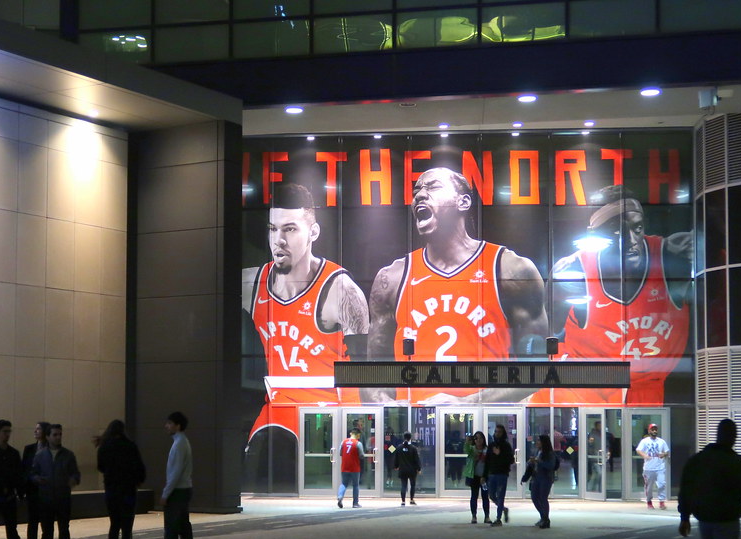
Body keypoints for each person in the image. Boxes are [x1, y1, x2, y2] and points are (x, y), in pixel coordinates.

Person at [365, 167, 548, 404]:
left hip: (489, 424)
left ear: (463, 202)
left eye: (432, 187)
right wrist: (389, 409)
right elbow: (371, 372)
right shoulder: (392, 278)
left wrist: (468, 404)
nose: (419, 195)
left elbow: (536, 369)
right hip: (417, 426)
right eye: (417, 190)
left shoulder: (510, 269)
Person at [242, 183, 369, 479]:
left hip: (329, 409)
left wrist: (359, 423)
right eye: (273, 229)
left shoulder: (341, 289)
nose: (279, 240)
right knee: (260, 467)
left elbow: (366, 368)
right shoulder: (252, 283)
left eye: (290, 229)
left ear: (313, 232)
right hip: (279, 406)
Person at [551, 185, 692, 405]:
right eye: (617, 230)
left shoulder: (674, 254)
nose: (631, 239)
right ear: (595, 235)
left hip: (651, 383)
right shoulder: (573, 270)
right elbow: (549, 334)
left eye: (637, 229)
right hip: (588, 386)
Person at [97, 419, 147, 539]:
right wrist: (138, 481)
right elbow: (140, 467)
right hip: (128, 490)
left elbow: (100, 467)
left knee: (114, 524)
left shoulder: (104, 447)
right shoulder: (131, 446)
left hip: (111, 490)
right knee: (126, 527)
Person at [32, 423, 80, 539]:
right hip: (46, 497)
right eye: (55, 434)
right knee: (47, 531)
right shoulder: (40, 456)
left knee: (64, 530)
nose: (58, 437)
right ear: (48, 437)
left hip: (63, 497)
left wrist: (73, 480)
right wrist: (37, 479)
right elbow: (33, 473)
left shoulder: (68, 455)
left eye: (60, 434)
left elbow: (76, 473)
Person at [153, 411, 194, 539]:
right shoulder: (183, 442)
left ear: (178, 426)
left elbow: (175, 473)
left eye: (169, 423)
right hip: (185, 489)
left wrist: (165, 494)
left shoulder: (178, 445)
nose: (166, 426)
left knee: (171, 527)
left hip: (177, 491)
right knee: (184, 527)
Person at [0, 420, 29, 539]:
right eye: (5, 431)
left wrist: (20, 493)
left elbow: (18, 475)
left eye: (9, 432)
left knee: (12, 530)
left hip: (9, 496)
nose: (7, 435)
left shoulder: (13, 453)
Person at [20, 421, 49, 539]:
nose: (35, 431)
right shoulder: (29, 449)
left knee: (47, 524)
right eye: (35, 429)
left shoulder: (51, 449)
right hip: (33, 490)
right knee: (33, 523)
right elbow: (24, 469)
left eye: (39, 429)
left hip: (48, 491)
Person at [486, 424, 515, 527]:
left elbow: (511, 460)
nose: (497, 433)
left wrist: (500, 454)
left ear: (503, 433)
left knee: (501, 496)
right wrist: (485, 474)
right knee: (492, 495)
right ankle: (503, 509)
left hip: (502, 474)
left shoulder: (506, 446)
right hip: (492, 473)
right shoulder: (491, 445)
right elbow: (487, 460)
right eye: (496, 431)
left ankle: (498, 519)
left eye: (499, 432)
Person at [637, 423, 670, 509]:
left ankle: (661, 502)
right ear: (649, 431)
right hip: (648, 468)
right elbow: (638, 450)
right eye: (652, 429)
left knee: (662, 484)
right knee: (649, 487)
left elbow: (667, 451)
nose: (654, 431)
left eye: (655, 429)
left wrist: (664, 454)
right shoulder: (645, 441)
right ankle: (649, 501)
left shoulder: (661, 441)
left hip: (660, 467)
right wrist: (644, 455)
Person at [529, 434, 557, 528]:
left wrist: (538, 461)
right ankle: (543, 517)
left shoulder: (549, 453)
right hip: (536, 477)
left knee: (543, 498)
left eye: (539, 441)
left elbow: (550, 466)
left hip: (545, 478)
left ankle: (545, 519)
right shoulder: (538, 451)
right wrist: (532, 462)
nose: (537, 442)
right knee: (534, 497)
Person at [462, 431, 490, 523]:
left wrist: (485, 476)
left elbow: (490, 463)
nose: (478, 440)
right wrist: (467, 441)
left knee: (485, 496)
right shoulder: (472, 449)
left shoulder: (487, 449)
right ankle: (474, 516)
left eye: (480, 438)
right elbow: (465, 449)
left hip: (484, 477)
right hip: (474, 476)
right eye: (476, 438)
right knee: (474, 496)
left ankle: (487, 516)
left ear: (484, 439)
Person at [337, 428, 364, 508]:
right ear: (358, 435)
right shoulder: (358, 443)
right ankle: (355, 503)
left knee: (344, 483)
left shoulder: (343, 442)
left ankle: (340, 496)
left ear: (350, 433)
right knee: (355, 485)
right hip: (355, 467)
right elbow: (361, 455)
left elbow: (340, 453)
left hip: (344, 466)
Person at [394, 432, 421, 506]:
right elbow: (416, 460)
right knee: (412, 485)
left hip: (402, 470)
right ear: (410, 438)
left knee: (403, 485)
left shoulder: (399, 447)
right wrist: (419, 469)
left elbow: (396, 459)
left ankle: (403, 501)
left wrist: (396, 466)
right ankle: (411, 500)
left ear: (404, 437)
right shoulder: (413, 448)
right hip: (412, 470)